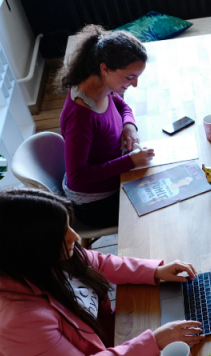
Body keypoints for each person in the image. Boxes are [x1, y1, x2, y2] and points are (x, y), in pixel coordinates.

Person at [0, 188, 204, 356]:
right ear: (30, 248)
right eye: (62, 233)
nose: (75, 237)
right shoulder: (18, 323)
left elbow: (98, 261)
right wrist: (154, 341)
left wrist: (155, 271)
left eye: (69, 226)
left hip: (104, 342)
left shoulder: (41, 259)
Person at [57, 25, 156, 228]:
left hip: (116, 175)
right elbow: (78, 177)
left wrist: (129, 125)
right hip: (96, 204)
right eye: (130, 77)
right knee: (158, 210)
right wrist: (128, 161)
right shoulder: (80, 116)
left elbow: (120, 104)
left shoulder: (100, 85)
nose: (135, 84)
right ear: (105, 68)